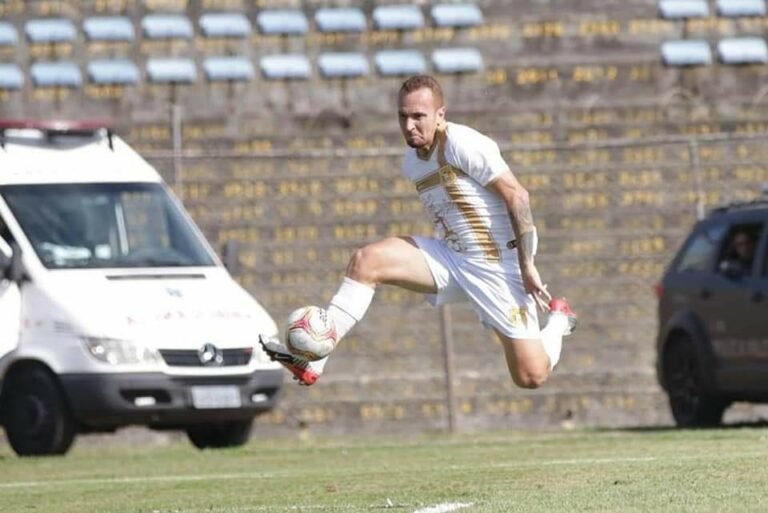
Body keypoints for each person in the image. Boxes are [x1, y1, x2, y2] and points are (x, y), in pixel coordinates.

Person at [261, 75, 577, 388]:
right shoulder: (412, 161)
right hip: (452, 257)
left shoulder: (463, 143)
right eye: (403, 116)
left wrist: (527, 264)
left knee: (530, 376)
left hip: (496, 266)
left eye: (418, 116)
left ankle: (559, 319)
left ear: (441, 114)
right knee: (367, 261)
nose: (409, 125)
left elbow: (518, 196)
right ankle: (313, 361)